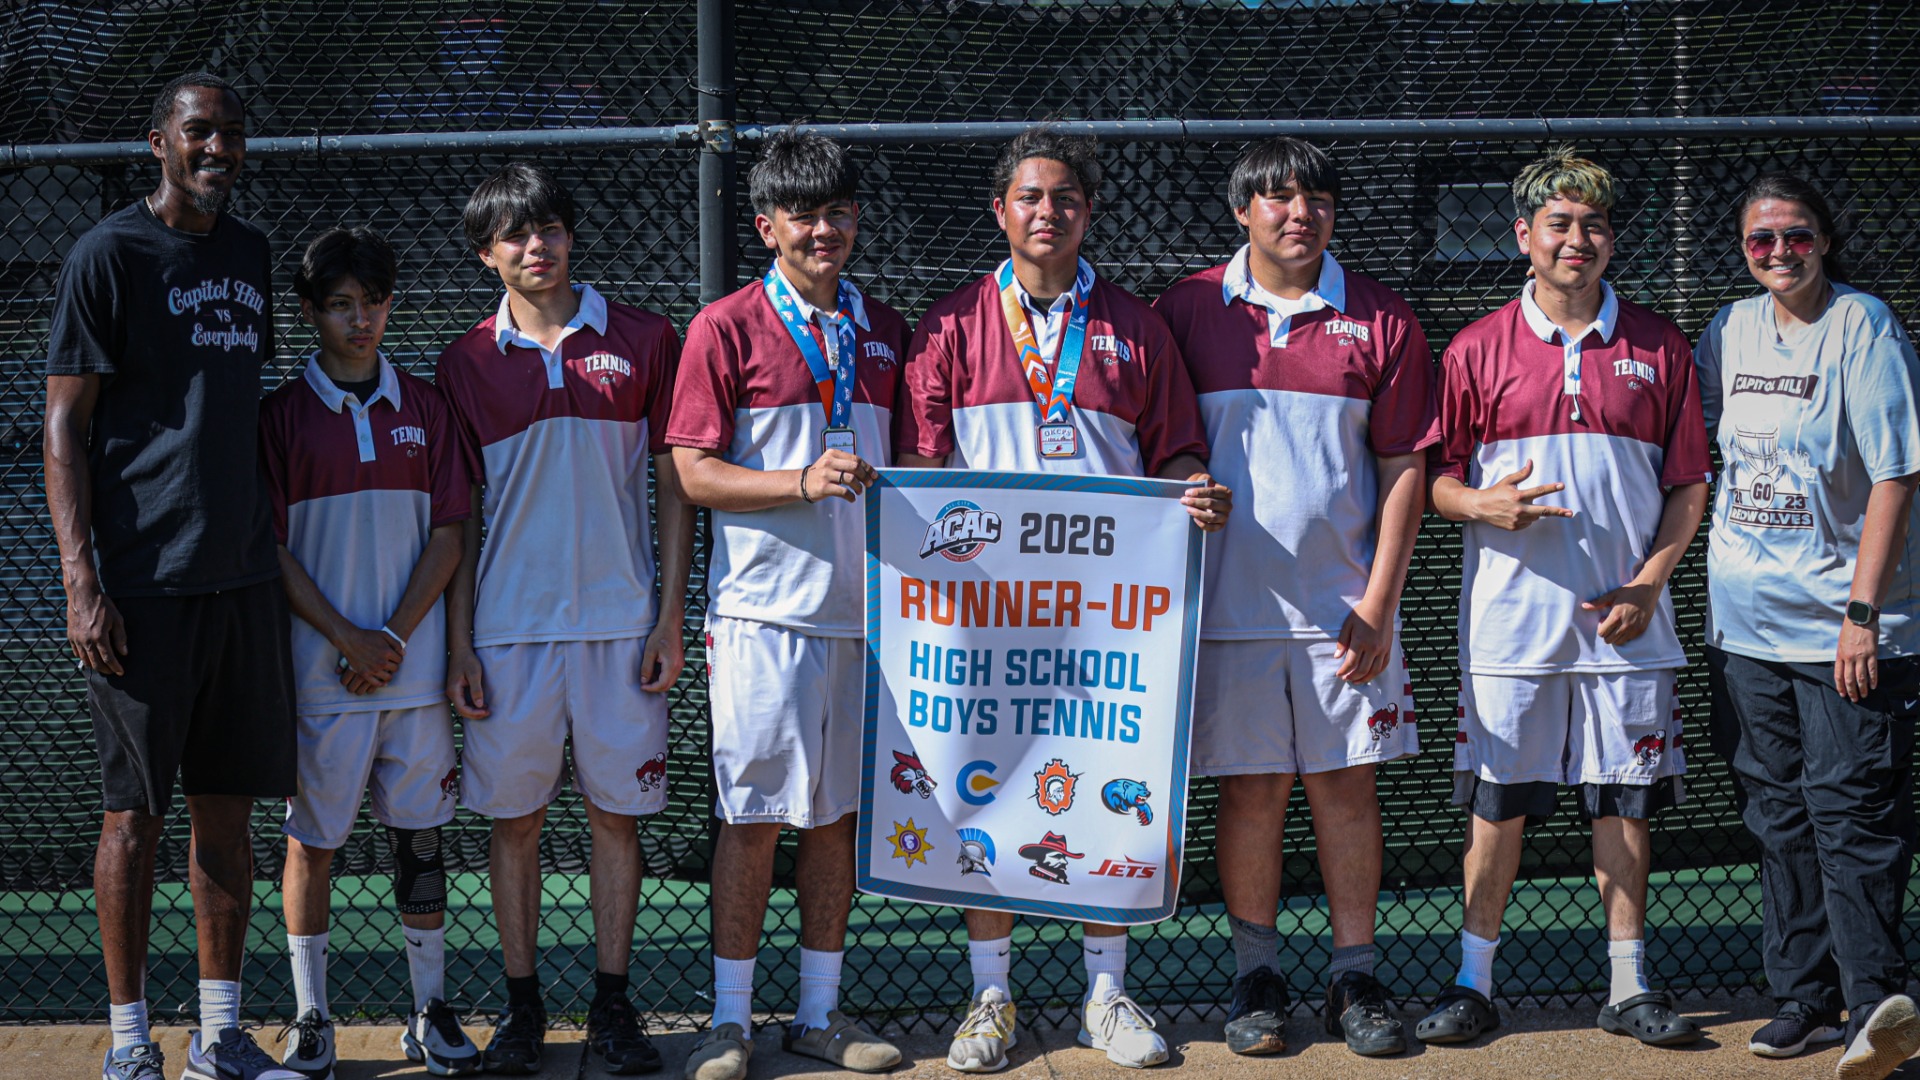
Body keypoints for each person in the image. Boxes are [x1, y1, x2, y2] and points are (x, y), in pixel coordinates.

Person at [895, 125, 1232, 1072]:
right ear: (1000, 211)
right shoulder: (951, 326)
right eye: (1030, 198)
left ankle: (1106, 993)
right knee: (981, 792)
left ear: (1088, 211)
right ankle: (991, 993)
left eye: (1066, 198)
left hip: (1107, 620)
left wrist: (1193, 489)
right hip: (981, 617)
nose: (1048, 213)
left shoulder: (1137, 324)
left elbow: (1176, 451)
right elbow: (921, 473)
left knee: (1103, 792)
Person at [1419, 148, 1711, 1049]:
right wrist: (1482, 503)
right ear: (1524, 236)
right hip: (1512, 629)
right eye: (1559, 224)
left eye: (1592, 225)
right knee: (1498, 803)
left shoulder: (1660, 345)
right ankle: (1474, 983)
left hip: (1627, 626)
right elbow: (1437, 480)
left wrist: (1647, 582)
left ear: (1612, 239)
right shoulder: (1474, 347)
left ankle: (1628, 988)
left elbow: (1688, 485)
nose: (1576, 240)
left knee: (1622, 803)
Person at [45, 72, 305, 1080]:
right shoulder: (106, 255)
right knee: (132, 818)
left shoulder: (248, 254)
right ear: (159, 142)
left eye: (234, 135)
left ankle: (220, 1035)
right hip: (141, 587)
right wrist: (82, 579)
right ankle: (125, 1042)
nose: (220, 150)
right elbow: (64, 425)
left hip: (240, 582)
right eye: (202, 133)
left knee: (229, 815)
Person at [1153, 137, 1433, 1058]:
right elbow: (1166, 440)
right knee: (1252, 793)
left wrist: (1382, 601)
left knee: (1347, 791)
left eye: (1314, 196)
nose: (1296, 212)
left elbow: (1404, 468)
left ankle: (1354, 974)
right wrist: (1192, 476)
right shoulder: (1188, 310)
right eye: (1275, 197)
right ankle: (1256, 978)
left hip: (1343, 615)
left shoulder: (1382, 319)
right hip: (1227, 609)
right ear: (1243, 212)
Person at [434, 162, 693, 1076]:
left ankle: (615, 1007)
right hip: (507, 635)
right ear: (486, 254)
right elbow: (456, 516)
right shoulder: (463, 363)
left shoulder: (647, 339)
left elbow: (674, 488)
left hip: (624, 630)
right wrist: (461, 641)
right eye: (514, 234)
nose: (534, 245)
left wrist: (668, 614)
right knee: (516, 825)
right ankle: (522, 1009)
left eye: (548, 228)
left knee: (615, 820)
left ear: (571, 235)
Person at [669, 128, 906, 1080]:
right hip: (763, 616)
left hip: (869, 620)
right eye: (804, 215)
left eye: (839, 213)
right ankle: (729, 1020)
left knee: (837, 819)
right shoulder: (722, 327)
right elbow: (691, 473)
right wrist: (800, 482)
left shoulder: (885, 328)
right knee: (754, 817)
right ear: (766, 225)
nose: (824, 230)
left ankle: (818, 1014)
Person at [1696, 174, 1920, 1080]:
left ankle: (1880, 1012)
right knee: (1777, 810)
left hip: (1847, 631)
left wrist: (1862, 615)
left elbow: (1896, 476)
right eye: (1761, 241)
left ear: (1825, 239)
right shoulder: (1728, 331)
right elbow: (1705, 451)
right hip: (1745, 626)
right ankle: (1805, 997)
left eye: (1796, 236)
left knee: (1851, 810)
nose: (1779, 253)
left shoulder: (1864, 326)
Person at [260, 226, 481, 1078]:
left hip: (413, 677)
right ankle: (311, 1015)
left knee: (421, 842)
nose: (362, 320)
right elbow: (271, 548)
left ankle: (429, 1009)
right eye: (343, 306)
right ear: (311, 311)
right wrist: (347, 639)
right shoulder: (277, 419)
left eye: (375, 303)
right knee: (311, 845)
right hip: (321, 680)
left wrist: (390, 638)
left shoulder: (426, 408)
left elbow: (451, 531)